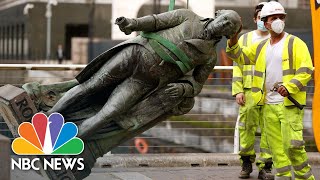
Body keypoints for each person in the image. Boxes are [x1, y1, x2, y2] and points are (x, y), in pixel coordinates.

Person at [46, 9, 242, 138]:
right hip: (135, 55)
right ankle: (47, 117)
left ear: (228, 34)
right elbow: (156, 22)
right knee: (90, 85)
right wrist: (133, 23)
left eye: (229, 26)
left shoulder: (209, 57)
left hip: (145, 81)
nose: (223, 25)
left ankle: (67, 143)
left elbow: (197, 84)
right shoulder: (187, 16)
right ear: (218, 14)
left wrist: (183, 88)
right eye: (224, 19)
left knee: (110, 112)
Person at [227, 1, 315, 179]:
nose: (278, 21)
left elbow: (306, 70)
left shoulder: (295, 43)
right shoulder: (261, 47)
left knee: (293, 146)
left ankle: (305, 178)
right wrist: (234, 36)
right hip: (268, 105)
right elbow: (238, 56)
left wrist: (288, 87)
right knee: (277, 150)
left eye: (281, 17)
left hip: (288, 104)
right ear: (265, 22)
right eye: (274, 18)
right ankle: (283, 176)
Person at [232, 2, 273, 179]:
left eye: (265, 18)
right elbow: (237, 66)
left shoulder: (277, 39)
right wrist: (238, 90)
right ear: (255, 19)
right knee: (246, 128)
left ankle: (265, 167)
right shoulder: (245, 39)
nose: (262, 21)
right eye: (259, 18)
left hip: (269, 92)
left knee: (269, 130)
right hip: (248, 92)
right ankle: (246, 163)